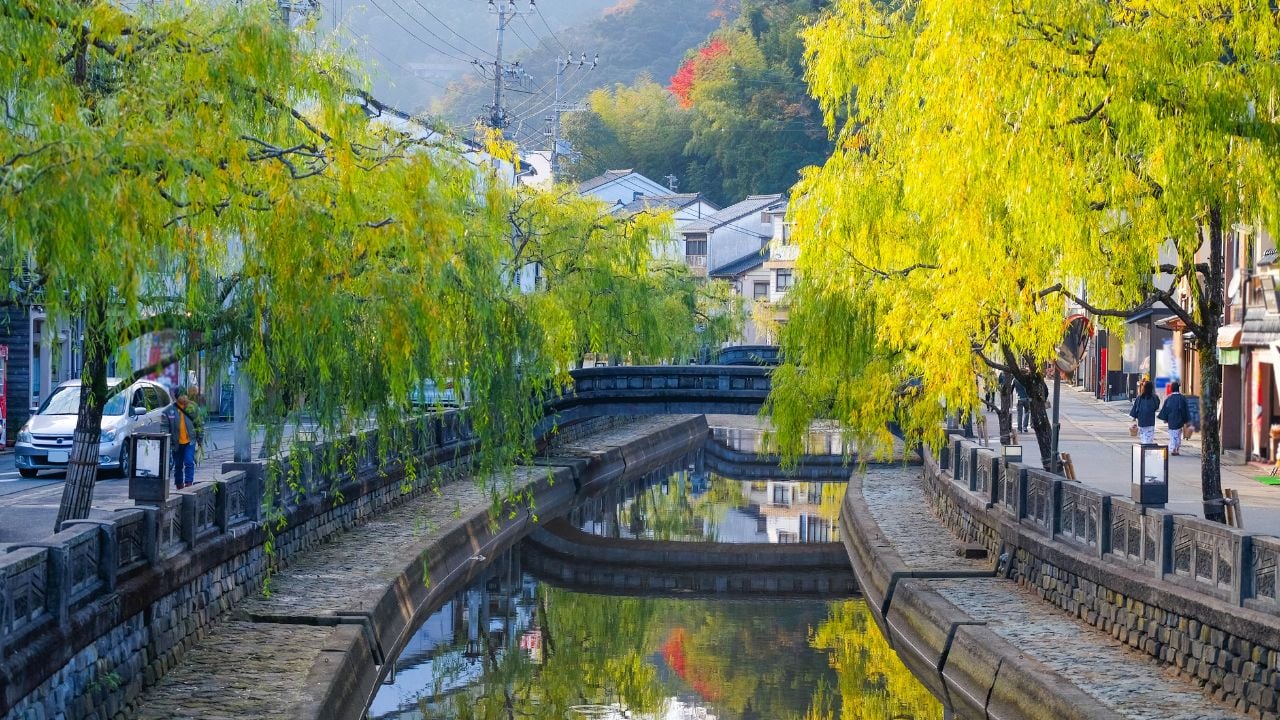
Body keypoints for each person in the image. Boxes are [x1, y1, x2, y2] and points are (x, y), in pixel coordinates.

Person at [164, 387, 202, 488]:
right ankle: (179, 485)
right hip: (176, 443)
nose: (185, 397)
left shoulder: (193, 407)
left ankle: (189, 484)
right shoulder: (169, 410)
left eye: (186, 395)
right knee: (178, 465)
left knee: (189, 461)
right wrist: (166, 441)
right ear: (177, 397)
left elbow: (199, 424)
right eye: (182, 395)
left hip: (190, 441)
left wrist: (200, 439)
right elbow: (164, 427)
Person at [1158, 380, 1191, 455]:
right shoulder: (1182, 398)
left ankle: (1173, 449)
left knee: (1172, 435)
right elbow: (1185, 409)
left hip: (1171, 419)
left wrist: (1165, 418)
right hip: (1179, 419)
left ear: (1172, 389)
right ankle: (1176, 448)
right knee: (1178, 435)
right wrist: (1186, 420)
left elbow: (1165, 409)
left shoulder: (1169, 398)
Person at [1129, 380, 1160, 445]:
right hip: (1150, 420)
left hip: (1141, 420)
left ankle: (1144, 451)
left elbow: (1136, 408)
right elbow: (1156, 406)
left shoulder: (1139, 397)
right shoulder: (1154, 397)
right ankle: (1147, 451)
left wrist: (1134, 417)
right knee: (1149, 438)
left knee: (1143, 437)